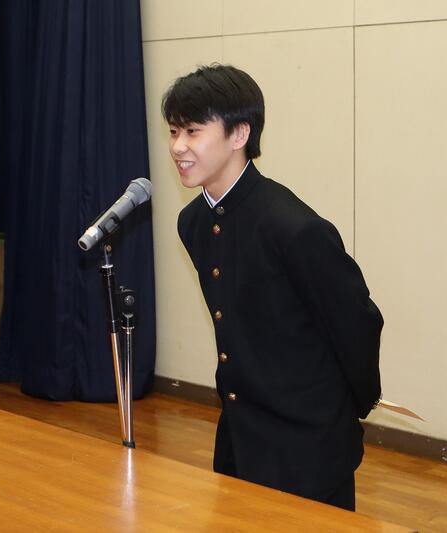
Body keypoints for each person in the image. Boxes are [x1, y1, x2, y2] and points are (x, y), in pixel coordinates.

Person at [162, 64, 383, 511]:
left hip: (307, 443)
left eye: (193, 131)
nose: (178, 147)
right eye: (173, 132)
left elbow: (357, 322)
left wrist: (346, 409)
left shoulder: (292, 227)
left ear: (240, 134)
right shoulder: (193, 222)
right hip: (240, 436)